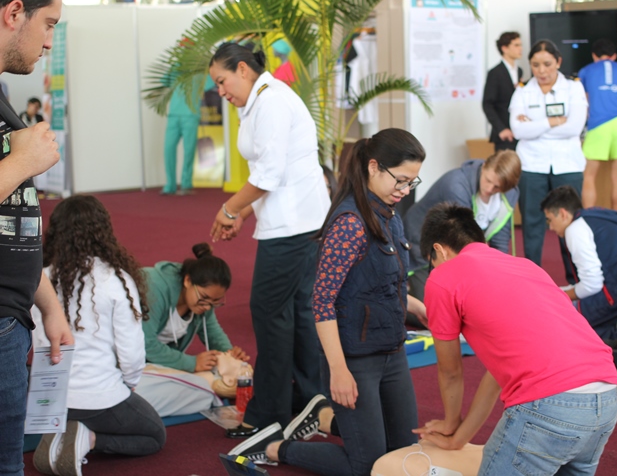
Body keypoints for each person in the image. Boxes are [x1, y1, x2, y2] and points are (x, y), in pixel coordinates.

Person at [231, 129, 429, 475]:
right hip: (354, 358)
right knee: (368, 466)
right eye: (400, 180)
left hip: (391, 351)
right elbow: (322, 301)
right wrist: (339, 370)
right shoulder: (350, 224)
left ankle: (322, 417)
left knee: (406, 456)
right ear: (373, 167)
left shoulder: (391, 217)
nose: (405, 190)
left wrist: (418, 307)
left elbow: (383, 285)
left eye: (412, 182)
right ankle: (276, 447)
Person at [415, 203, 617, 476]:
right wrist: (459, 438)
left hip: (550, 405)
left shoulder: (442, 277)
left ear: (438, 250)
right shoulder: (524, 266)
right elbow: (496, 378)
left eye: (431, 263)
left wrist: (451, 422)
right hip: (606, 398)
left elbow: (450, 371)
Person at [208, 42, 331, 438]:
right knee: (296, 314)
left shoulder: (272, 101)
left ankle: (269, 415)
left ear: (243, 69)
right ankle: (307, 403)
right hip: (296, 220)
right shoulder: (259, 101)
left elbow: (268, 176)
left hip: (294, 225)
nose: (221, 91)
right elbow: (268, 171)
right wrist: (243, 213)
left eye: (222, 81)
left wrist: (229, 209)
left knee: (269, 313)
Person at [30, 195, 166, 476]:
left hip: (50, 398)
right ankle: (89, 439)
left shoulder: (40, 279)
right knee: (155, 436)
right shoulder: (116, 280)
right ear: (104, 232)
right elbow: (131, 352)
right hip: (99, 399)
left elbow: (38, 343)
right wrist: (131, 383)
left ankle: (60, 432)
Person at [0, 0, 75, 475]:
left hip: (13, 317)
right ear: (13, 13)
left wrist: (45, 301)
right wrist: (21, 164)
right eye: (48, 24)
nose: (49, 42)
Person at [137, 243, 250, 416]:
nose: (207, 307)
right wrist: (191, 363)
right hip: (117, 360)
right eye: (204, 298)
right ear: (188, 280)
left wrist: (229, 354)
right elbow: (146, 344)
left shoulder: (203, 300)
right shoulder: (154, 288)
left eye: (215, 302)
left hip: (147, 364)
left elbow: (213, 332)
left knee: (199, 387)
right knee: (201, 389)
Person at [403, 150, 521, 304]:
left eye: (497, 187)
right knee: (435, 309)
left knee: (487, 298)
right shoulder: (456, 184)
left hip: (454, 250)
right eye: (488, 180)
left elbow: (501, 240)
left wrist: (498, 276)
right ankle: (404, 288)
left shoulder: (510, 194)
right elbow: (462, 238)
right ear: (484, 166)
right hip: (422, 247)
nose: (490, 189)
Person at [510, 39, 588, 266]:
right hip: (531, 166)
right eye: (535, 65)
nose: (541, 71)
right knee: (532, 223)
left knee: (570, 223)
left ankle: (575, 279)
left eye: (547, 64)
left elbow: (574, 127)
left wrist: (534, 126)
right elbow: (517, 130)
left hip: (568, 165)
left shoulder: (574, 87)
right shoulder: (523, 91)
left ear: (558, 62)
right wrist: (553, 121)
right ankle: (532, 275)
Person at [541, 185, 617, 340]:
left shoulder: (575, 230)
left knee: (563, 318)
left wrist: (561, 295)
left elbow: (592, 284)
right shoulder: (595, 220)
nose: (550, 227)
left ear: (563, 214)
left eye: (550, 220)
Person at [578, 39, 617, 210]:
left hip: (598, 124)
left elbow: (584, 102)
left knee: (588, 175)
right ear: (615, 56)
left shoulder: (585, 71)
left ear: (594, 55)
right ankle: (616, 218)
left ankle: (589, 218)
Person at [161, 66, 212, 196]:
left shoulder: (199, 72)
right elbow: (163, 81)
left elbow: (212, 82)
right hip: (173, 115)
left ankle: (186, 183)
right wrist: (173, 66)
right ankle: (170, 184)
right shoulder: (175, 70)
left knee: (189, 151)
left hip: (190, 115)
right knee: (168, 149)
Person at [482, 32, 524, 152]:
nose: (520, 48)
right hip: (505, 135)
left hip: (519, 132)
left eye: (520, 45)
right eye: (516, 45)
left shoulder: (519, 71)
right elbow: (487, 104)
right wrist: (501, 129)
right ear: (504, 48)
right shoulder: (495, 73)